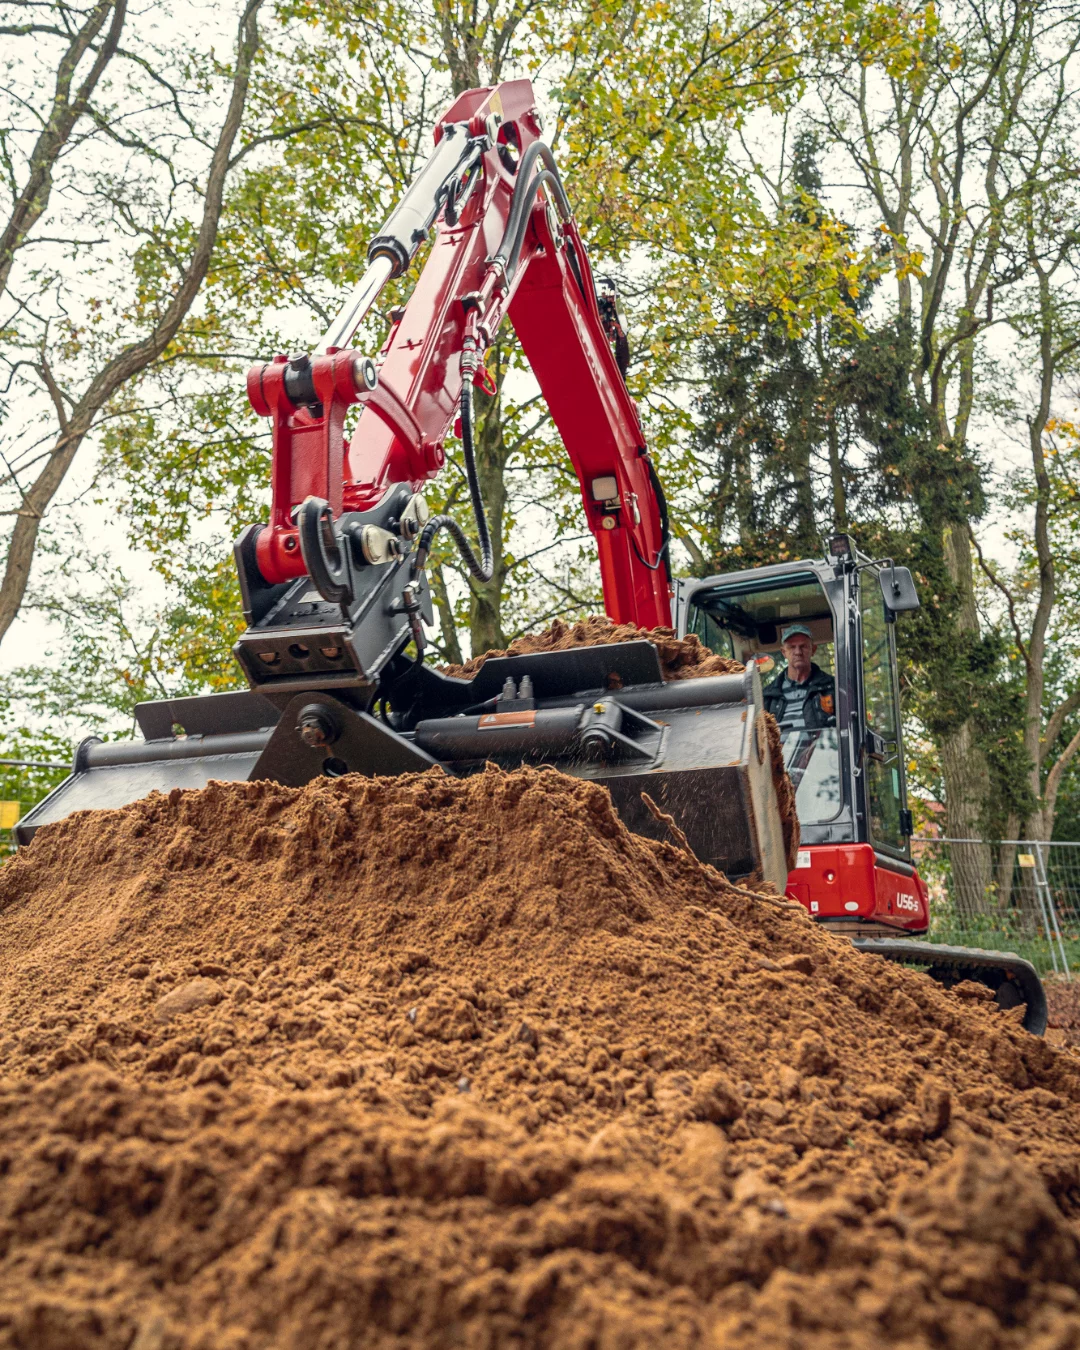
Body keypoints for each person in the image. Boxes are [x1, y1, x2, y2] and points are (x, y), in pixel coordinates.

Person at [762, 624, 836, 730]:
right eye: (792, 647)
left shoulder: (832, 687)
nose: (798, 652)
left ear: (813, 650)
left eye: (803, 646)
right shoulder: (768, 696)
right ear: (784, 652)